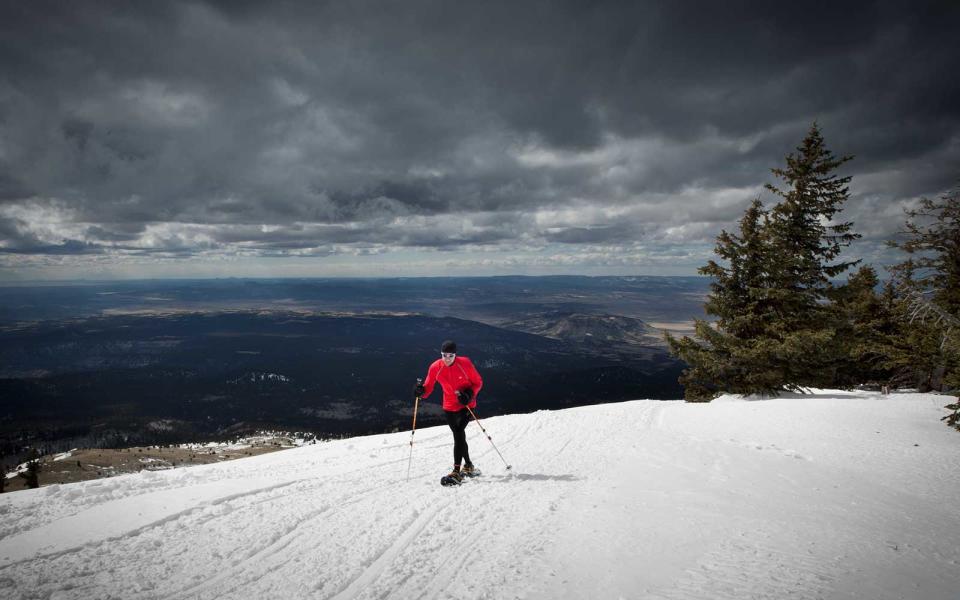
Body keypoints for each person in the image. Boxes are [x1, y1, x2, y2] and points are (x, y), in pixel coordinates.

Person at [414, 340, 483, 484]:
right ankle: (469, 465)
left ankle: (456, 472)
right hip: (449, 406)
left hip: (466, 404)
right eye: (444, 355)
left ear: (455, 355)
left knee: (458, 434)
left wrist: (469, 394)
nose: (447, 358)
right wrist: (421, 391)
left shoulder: (464, 364)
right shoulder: (435, 367)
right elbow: (428, 386)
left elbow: (478, 382)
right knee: (458, 436)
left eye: (450, 356)